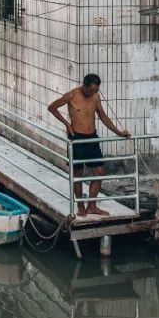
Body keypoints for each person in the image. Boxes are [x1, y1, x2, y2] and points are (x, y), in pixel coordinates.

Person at [47, 74, 130, 216]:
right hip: (77, 138)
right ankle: (80, 205)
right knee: (78, 173)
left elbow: (103, 117)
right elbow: (52, 107)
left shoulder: (96, 97)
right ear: (84, 86)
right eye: (91, 90)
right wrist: (67, 124)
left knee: (99, 171)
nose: (93, 93)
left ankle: (92, 205)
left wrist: (119, 132)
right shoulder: (72, 95)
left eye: (96, 90)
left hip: (92, 138)